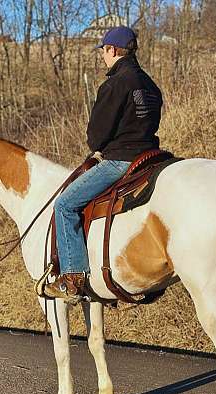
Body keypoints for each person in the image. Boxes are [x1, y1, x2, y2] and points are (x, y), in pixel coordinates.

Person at [43, 26, 163, 302]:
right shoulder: (151, 85)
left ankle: (72, 278)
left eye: (104, 51)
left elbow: (97, 135)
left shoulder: (115, 83)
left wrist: (99, 148)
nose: (103, 57)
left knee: (64, 205)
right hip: (150, 157)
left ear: (111, 50)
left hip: (120, 160)